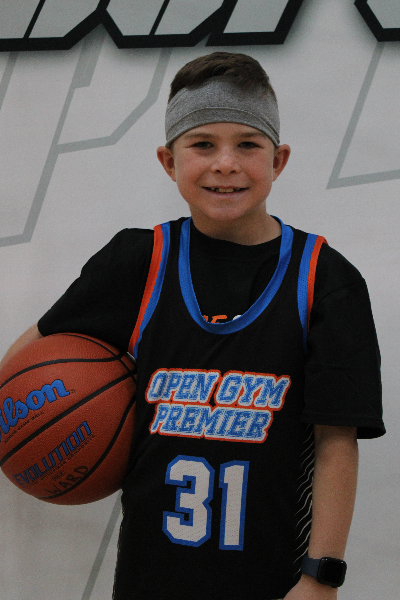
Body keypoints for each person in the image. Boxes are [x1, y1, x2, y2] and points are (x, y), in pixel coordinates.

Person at [1, 52, 384, 600]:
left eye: (247, 145)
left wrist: (320, 577)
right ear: (168, 160)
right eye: (202, 144)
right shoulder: (137, 262)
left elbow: (335, 442)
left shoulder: (326, 280)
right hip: (147, 581)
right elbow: (25, 368)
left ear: (278, 160)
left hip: (273, 582)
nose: (225, 164)